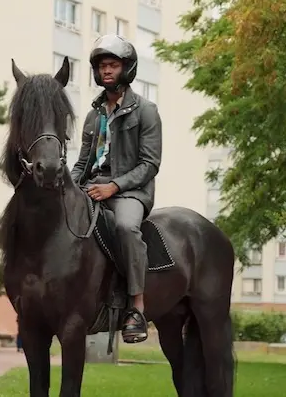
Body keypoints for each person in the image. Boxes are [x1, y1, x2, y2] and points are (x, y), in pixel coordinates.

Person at [70, 34, 163, 344]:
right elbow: (82, 163)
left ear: (127, 69)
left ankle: (136, 307)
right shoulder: (93, 116)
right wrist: (68, 188)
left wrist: (114, 186)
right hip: (92, 187)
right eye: (101, 67)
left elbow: (149, 165)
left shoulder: (146, 111)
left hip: (130, 192)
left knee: (124, 227)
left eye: (112, 65)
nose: (106, 71)